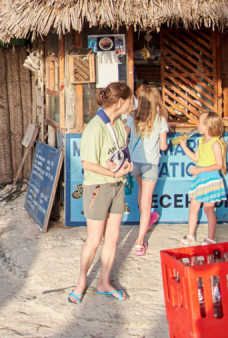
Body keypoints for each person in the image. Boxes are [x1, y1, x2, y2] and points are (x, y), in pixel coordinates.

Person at [68, 82, 134, 304]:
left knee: (112, 238)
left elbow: (115, 153)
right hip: (98, 188)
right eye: (130, 101)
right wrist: (112, 173)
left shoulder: (117, 124)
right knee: (94, 240)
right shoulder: (95, 127)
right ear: (121, 102)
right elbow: (86, 164)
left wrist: (122, 167)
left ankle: (104, 281)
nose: (131, 106)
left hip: (117, 186)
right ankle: (81, 282)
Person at [126, 85, 168, 256]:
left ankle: (146, 219)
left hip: (134, 164)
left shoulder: (132, 116)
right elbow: (164, 146)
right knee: (147, 201)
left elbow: (124, 136)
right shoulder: (161, 119)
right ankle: (139, 242)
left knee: (141, 190)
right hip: (150, 163)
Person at [181, 112, 228, 246]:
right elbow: (196, 158)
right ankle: (190, 235)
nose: (198, 125)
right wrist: (184, 147)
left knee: (208, 209)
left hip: (211, 181)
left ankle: (211, 238)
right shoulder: (201, 141)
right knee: (193, 207)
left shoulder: (215, 143)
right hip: (200, 180)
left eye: (200, 122)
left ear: (208, 126)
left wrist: (199, 169)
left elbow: (219, 165)